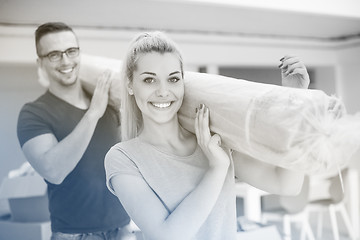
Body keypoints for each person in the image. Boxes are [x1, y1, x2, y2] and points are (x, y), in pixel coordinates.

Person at [104, 31, 308, 240]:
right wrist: (217, 168)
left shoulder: (214, 141)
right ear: (130, 85)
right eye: (149, 80)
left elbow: (287, 184)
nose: (163, 91)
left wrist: (296, 102)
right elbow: (167, 236)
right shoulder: (123, 158)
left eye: (173, 79)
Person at [16, 22, 131, 240]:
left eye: (71, 51)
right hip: (75, 235)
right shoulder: (34, 113)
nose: (66, 61)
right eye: (54, 55)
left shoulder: (109, 103)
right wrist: (92, 114)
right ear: (40, 62)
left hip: (122, 229)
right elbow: (53, 171)